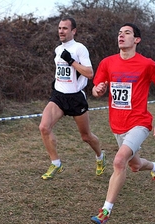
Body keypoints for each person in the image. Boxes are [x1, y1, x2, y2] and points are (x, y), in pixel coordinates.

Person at [90, 23, 155, 224]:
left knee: (119, 161)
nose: (121, 36)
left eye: (127, 33)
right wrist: (98, 90)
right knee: (134, 165)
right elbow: (95, 90)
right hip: (117, 125)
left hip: (139, 122)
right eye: (119, 33)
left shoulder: (146, 64)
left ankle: (105, 211)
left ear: (137, 40)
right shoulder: (108, 63)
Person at [38, 17, 106, 180]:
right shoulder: (57, 49)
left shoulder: (79, 49)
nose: (61, 31)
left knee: (86, 136)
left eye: (65, 28)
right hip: (59, 97)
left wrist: (71, 61)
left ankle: (100, 157)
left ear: (73, 31)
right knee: (44, 127)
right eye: (60, 28)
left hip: (76, 98)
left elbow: (89, 73)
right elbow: (61, 72)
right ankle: (56, 163)